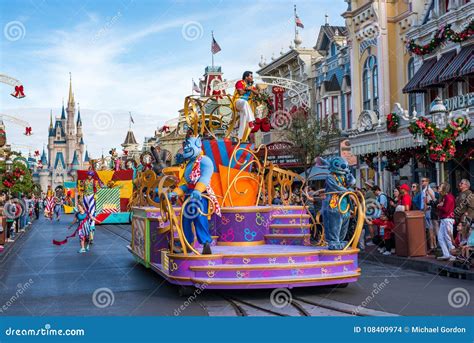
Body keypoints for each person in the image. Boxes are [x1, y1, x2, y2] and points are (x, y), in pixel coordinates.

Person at [233, 71, 259, 141]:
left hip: (244, 107)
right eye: (251, 76)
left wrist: (251, 89)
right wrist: (247, 89)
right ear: (246, 77)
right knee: (245, 102)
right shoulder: (240, 82)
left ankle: (240, 138)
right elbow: (240, 92)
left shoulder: (251, 86)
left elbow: (257, 93)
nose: (252, 78)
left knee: (243, 121)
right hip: (237, 102)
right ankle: (250, 121)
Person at [437, 182, 456, 261]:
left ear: (444, 188)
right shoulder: (445, 197)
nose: (439, 187)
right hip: (444, 219)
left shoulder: (448, 197)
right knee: (440, 237)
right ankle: (446, 254)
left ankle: (453, 255)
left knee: (448, 237)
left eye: (440, 186)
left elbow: (446, 210)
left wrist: (439, 206)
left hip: (448, 219)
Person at [421, 177, 436, 251]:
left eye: (423, 181)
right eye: (422, 181)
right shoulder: (424, 190)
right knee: (430, 228)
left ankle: (432, 246)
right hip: (427, 210)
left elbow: (426, 203)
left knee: (430, 229)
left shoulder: (428, 191)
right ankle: (432, 245)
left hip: (428, 211)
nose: (422, 182)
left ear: (427, 182)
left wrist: (423, 212)